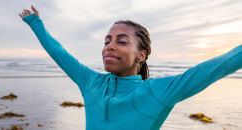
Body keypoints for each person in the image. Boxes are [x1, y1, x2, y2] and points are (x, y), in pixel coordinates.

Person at [19, 5, 242, 130]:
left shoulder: (158, 92)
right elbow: (61, 54)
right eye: (107, 41)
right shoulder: (91, 83)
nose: (109, 47)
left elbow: (216, 67)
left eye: (121, 41)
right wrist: (36, 24)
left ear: (141, 55)